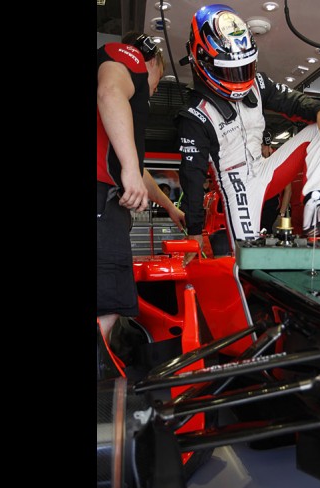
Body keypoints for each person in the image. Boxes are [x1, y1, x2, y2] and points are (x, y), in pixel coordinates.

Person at [176, 4, 320, 264]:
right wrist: (194, 231)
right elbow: (192, 177)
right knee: (249, 262)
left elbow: (292, 101)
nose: (239, 77)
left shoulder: (258, 83)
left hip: (264, 169)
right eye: (229, 69)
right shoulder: (195, 115)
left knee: (319, 129)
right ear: (203, 60)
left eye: (244, 68)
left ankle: (315, 208)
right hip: (237, 185)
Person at [97, 31, 186, 338]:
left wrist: (170, 207)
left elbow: (140, 173)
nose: (154, 89)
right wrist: (131, 170)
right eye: (158, 80)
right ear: (151, 60)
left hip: (106, 204)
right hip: (101, 202)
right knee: (104, 305)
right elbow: (109, 92)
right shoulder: (128, 56)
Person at [259, 130, 293, 233]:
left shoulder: (279, 160)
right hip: (257, 205)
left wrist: (281, 214)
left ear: (266, 145)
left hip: (272, 209)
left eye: (260, 146)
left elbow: (288, 190)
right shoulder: (256, 160)